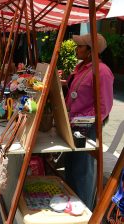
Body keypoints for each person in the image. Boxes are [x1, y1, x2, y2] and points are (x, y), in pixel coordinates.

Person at [64, 33, 114, 210]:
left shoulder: (102, 71)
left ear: (91, 50)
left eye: (80, 46)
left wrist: (82, 122)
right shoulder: (82, 67)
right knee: (71, 166)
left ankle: (84, 211)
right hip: (73, 125)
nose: (77, 49)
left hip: (86, 127)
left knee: (83, 170)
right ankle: (71, 206)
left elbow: (104, 107)